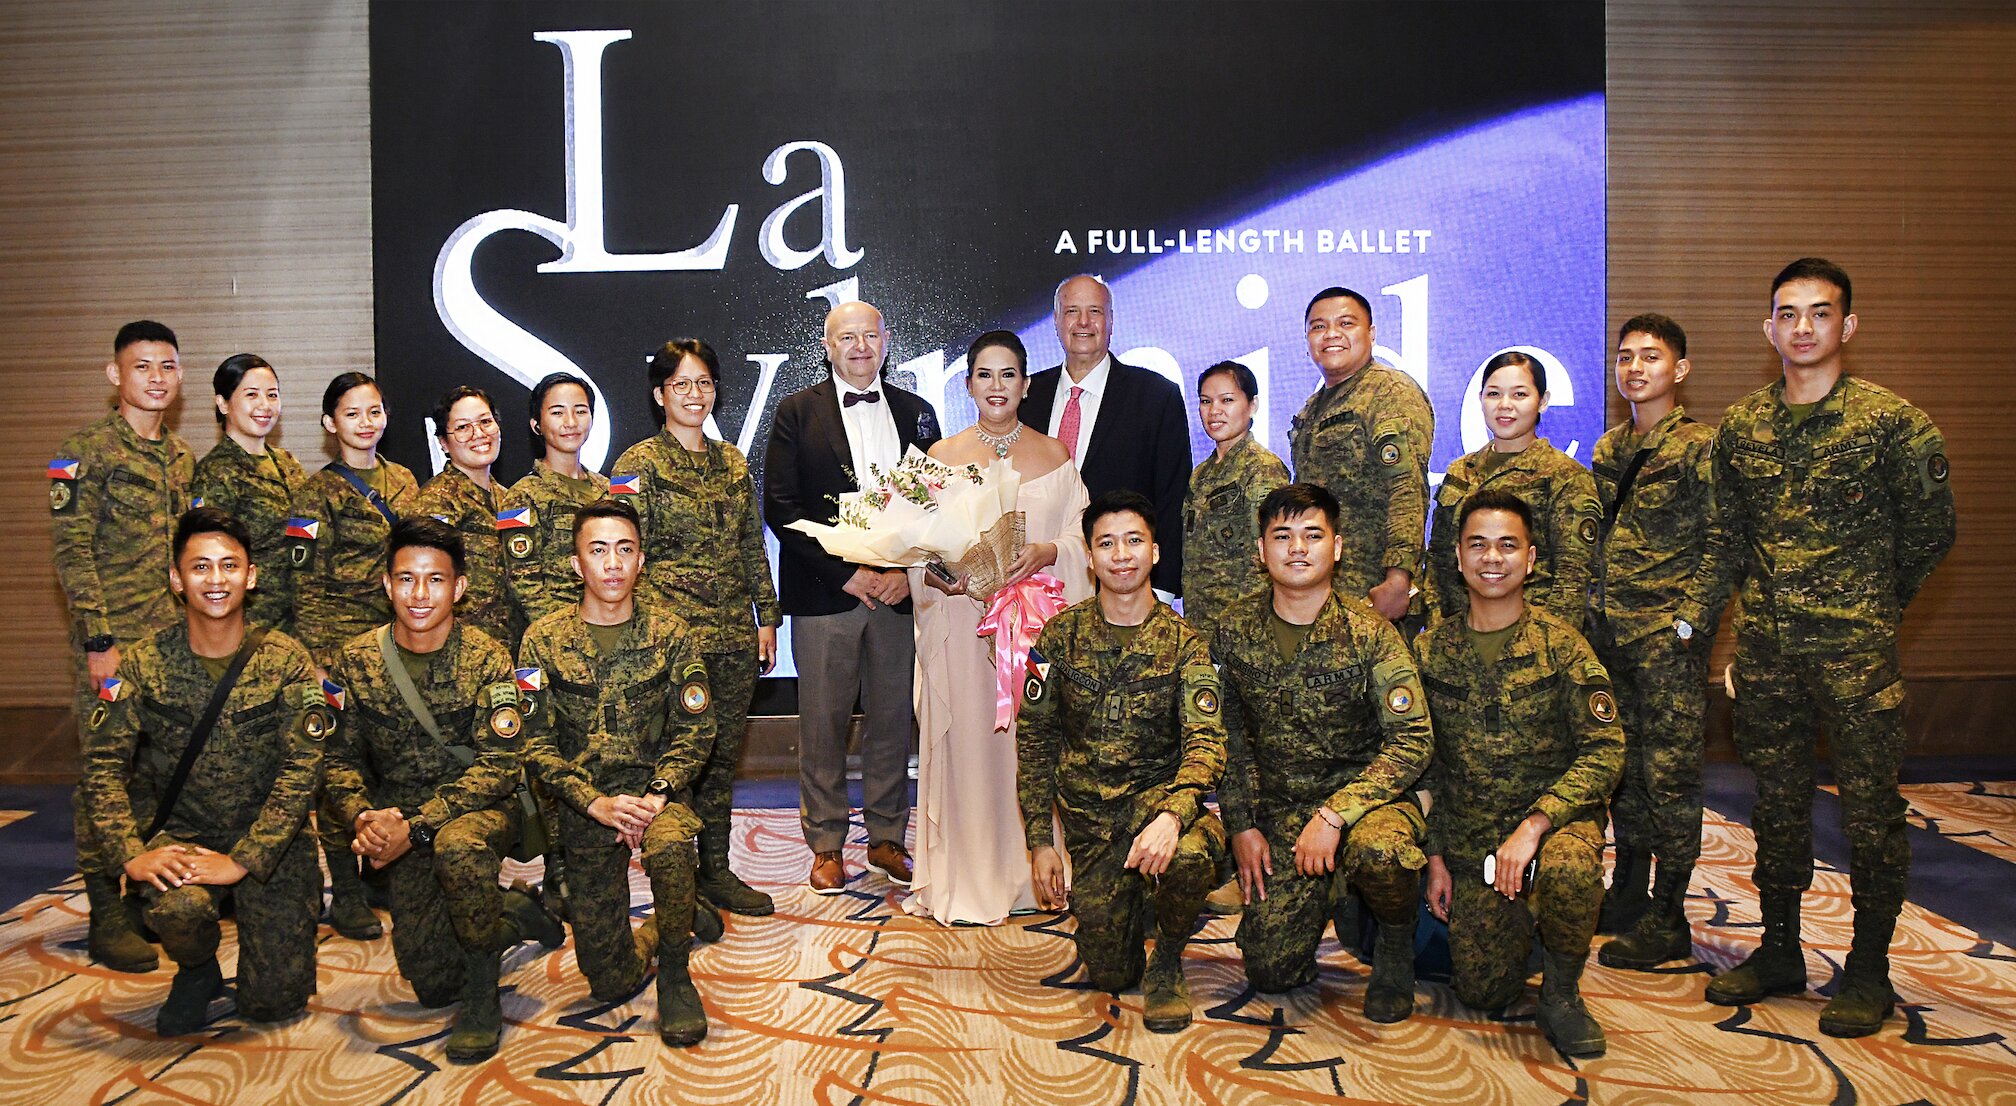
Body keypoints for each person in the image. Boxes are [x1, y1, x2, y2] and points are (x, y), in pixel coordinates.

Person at [1680, 258, 1956, 1037]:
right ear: (1769, 328)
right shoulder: (1743, 427)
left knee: (1870, 817)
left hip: (1856, 660)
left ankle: (1869, 971)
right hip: (1767, 657)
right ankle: (1780, 952)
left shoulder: (1895, 426)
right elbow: (1731, 540)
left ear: (1848, 326)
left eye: (1820, 313)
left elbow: (1932, 533)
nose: (1803, 328)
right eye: (1788, 314)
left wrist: (1869, 608)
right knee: (1777, 809)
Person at [323, 517, 563, 1063]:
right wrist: (363, 818)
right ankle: (510, 915)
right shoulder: (355, 660)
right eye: (406, 579)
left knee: (459, 848)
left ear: (459, 587)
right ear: (387, 585)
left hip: (478, 809)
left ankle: (483, 992)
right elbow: (337, 759)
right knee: (430, 982)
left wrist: (420, 824)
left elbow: (501, 763)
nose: (420, 594)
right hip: (397, 817)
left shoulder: (487, 657)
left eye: (435, 580)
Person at [78, 507, 326, 1035]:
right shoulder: (143, 665)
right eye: (200, 567)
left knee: (274, 1003)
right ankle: (197, 969)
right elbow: (101, 768)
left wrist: (243, 859)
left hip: (270, 846)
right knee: (177, 911)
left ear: (251, 576)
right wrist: (131, 854)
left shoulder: (287, 661)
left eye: (229, 566)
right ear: (176, 579)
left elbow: (302, 770)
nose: (216, 580)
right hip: (183, 837)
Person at [1214, 483, 1432, 1022]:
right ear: (1260, 550)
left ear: (1336, 547)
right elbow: (1227, 737)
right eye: (1282, 536)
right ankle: (1333, 900)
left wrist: (1336, 815)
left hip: (1366, 803)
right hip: (1282, 808)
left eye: (1313, 535)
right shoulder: (1232, 631)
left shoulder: (1372, 635)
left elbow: (1412, 740)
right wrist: (1241, 825)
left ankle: (1395, 944)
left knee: (1382, 855)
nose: (1297, 548)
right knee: (1271, 970)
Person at [1419, 491, 1623, 1058]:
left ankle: (1562, 991)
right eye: (1477, 545)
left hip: (1553, 825)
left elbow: (1605, 751)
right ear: (1458, 559)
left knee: (1570, 875)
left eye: (1508, 546)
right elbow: (1423, 764)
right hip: (1472, 839)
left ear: (1530, 560)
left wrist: (1536, 825)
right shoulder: (1430, 651)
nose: (1492, 558)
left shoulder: (1563, 647)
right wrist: (1436, 858)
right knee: (1484, 991)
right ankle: (1530, 924)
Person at [1017, 490, 1226, 1033]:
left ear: (1155, 552)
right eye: (1106, 543)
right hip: (1090, 825)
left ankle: (1170, 960)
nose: (1122, 554)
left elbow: (1206, 745)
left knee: (1190, 855)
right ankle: (1137, 905)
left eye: (1134, 541)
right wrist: (1041, 840)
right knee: (1110, 969)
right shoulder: (1059, 637)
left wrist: (1174, 815)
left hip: (1156, 813)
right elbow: (1035, 740)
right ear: (1089, 557)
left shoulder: (1187, 644)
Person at [903, 330, 1091, 925]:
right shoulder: (938, 458)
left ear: (1027, 385)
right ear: (967, 386)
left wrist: (1044, 552)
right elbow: (915, 550)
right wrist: (943, 577)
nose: (996, 387)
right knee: (973, 747)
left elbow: (1078, 542)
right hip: (963, 626)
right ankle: (972, 872)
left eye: (1008, 375)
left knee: (1031, 745)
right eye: (985, 375)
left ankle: (1035, 871)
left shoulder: (1056, 458)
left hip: (1033, 626)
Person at [519, 499, 719, 1047]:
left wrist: (656, 796)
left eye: (625, 550)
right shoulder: (541, 640)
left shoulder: (673, 633)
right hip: (586, 805)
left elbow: (695, 729)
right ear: (575, 563)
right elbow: (534, 743)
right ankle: (664, 927)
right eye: (598, 550)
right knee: (609, 981)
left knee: (674, 844)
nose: (612, 564)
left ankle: (677, 975)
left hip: (658, 796)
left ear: (642, 560)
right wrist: (593, 803)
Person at [764, 300, 941, 893]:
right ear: (828, 345)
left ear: (887, 341)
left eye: (870, 334)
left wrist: (905, 572)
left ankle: (888, 838)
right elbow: (782, 511)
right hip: (827, 595)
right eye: (848, 337)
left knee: (894, 719)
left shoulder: (918, 412)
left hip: (898, 593)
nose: (860, 346)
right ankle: (826, 845)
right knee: (822, 723)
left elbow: (936, 510)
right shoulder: (795, 412)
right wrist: (848, 573)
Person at [612, 339, 781, 918]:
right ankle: (676, 884)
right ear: (660, 394)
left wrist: (768, 616)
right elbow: (623, 552)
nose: (694, 394)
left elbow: (749, 544)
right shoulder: (636, 466)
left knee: (720, 759)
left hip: (733, 635)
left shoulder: (731, 461)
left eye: (704, 383)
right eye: (681, 384)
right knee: (676, 761)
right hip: (669, 642)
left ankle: (717, 872)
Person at [50, 319, 194, 973]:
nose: (157, 378)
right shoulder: (83, 453)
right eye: (143, 367)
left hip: (170, 644)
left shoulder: (182, 458)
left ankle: (140, 896)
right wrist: (96, 638)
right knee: (104, 776)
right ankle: (106, 914)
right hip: (112, 644)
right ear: (116, 375)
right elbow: (71, 552)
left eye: (167, 365)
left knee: (156, 773)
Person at [1587, 314, 1718, 967]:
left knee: (1669, 780)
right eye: (1626, 357)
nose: (1636, 368)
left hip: (1667, 644)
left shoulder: (1700, 447)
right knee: (1624, 773)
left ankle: (1669, 917)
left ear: (1680, 369)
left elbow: (1723, 543)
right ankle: (1628, 892)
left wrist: (1690, 620)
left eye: (1651, 357)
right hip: (1611, 638)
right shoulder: (1609, 449)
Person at [287, 371, 421, 940]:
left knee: (388, 758)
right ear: (329, 424)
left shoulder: (405, 480)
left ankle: (380, 869)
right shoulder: (312, 495)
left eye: (374, 411)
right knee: (338, 766)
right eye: (352, 413)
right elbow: (303, 584)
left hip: (396, 644)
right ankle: (344, 889)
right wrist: (317, 659)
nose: (366, 423)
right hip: (339, 648)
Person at [1020, 274, 1192, 598]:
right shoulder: (1026, 397)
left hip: (1125, 589)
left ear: (1111, 320)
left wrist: (1163, 592)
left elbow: (1173, 499)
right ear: (1056, 320)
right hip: (1035, 590)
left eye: (1095, 311)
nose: (1083, 322)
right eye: (1072, 311)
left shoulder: (1156, 397)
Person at [1287, 287, 1434, 623]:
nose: (1331, 334)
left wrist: (1399, 578)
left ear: (1371, 334)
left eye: (1346, 323)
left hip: (1375, 593)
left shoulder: (1390, 392)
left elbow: (1406, 489)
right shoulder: (1311, 409)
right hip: (1324, 591)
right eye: (1318, 326)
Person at [1428, 351, 1601, 626]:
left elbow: (1573, 577)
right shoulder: (1460, 471)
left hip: (1531, 641)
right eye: (1494, 394)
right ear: (1480, 399)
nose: (1505, 406)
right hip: (1457, 640)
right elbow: (1438, 559)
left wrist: (1550, 646)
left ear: (1542, 402)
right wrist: (1439, 629)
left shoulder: (1565, 477)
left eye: (1519, 395)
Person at [192, 354, 308, 634]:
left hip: (298, 621)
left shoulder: (287, 463)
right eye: (251, 395)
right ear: (223, 403)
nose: (264, 405)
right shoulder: (216, 472)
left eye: (272, 395)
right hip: (249, 625)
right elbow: (211, 558)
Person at [1182, 360, 1289, 644]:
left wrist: (1242, 629)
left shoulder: (1262, 468)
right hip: (1199, 627)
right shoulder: (1200, 475)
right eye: (1206, 401)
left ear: (1252, 405)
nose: (1214, 411)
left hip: (1244, 633)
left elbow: (1266, 558)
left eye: (1227, 400)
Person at [502, 372, 610, 627]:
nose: (571, 422)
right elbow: (524, 585)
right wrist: (570, 635)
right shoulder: (519, 498)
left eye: (580, 411)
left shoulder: (610, 490)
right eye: (557, 412)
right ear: (536, 424)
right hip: (560, 638)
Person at [414, 386, 516, 647]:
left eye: (485, 422)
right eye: (462, 427)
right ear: (443, 443)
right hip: (458, 650)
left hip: (508, 648)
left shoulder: (510, 499)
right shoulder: (436, 502)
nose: (478, 434)